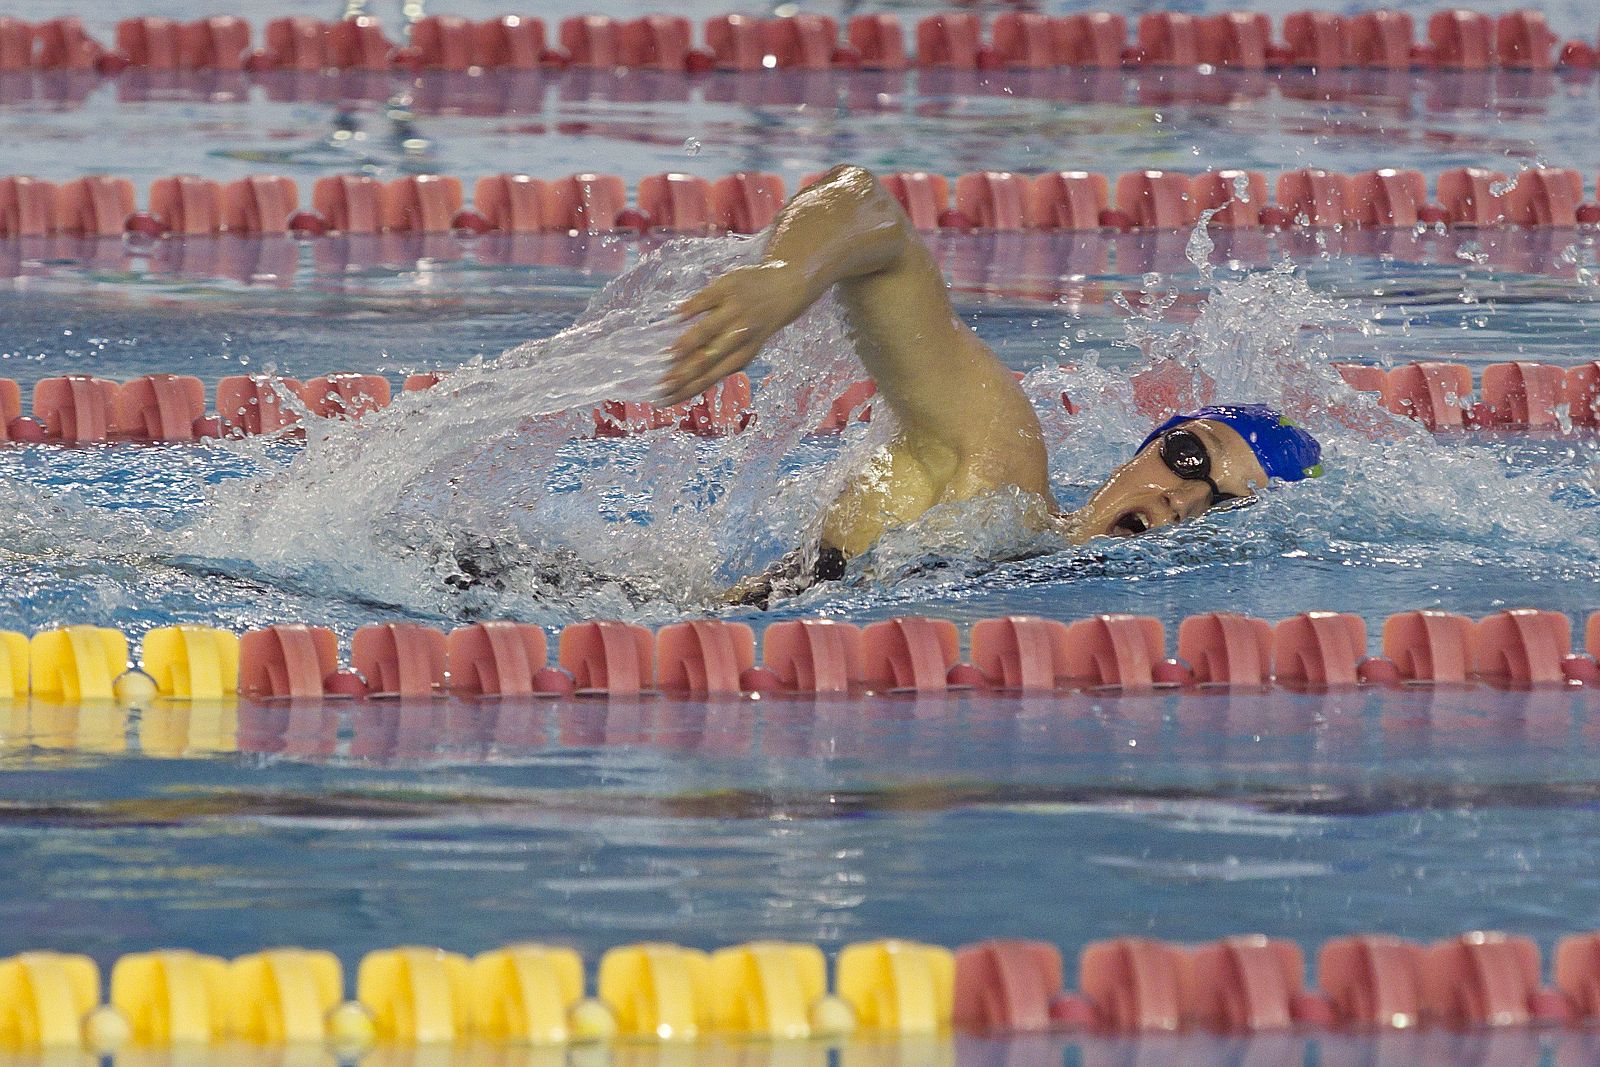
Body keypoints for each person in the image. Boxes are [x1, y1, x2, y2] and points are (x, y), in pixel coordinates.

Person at [661, 165, 1321, 605]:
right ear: (1147, 448)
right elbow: (865, 205)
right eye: (1189, 457)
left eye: (1225, 503)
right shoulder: (998, 472)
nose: (1182, 499)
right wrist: (785, 273)